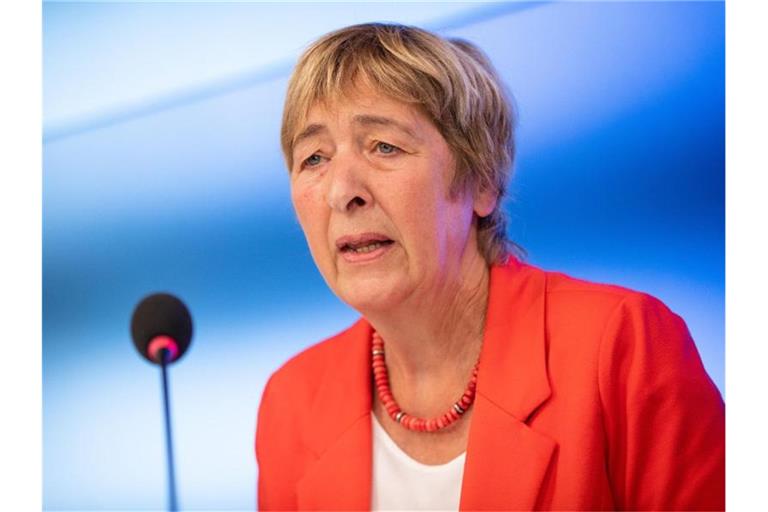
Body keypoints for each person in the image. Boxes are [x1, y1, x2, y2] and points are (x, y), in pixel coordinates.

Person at [255, 22, 724, 511]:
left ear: (482, 183)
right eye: (314, 158)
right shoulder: (292, 400)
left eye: (384, 146)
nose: (340, 191)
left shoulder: (622, 347)